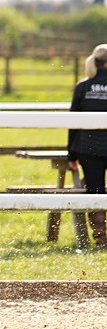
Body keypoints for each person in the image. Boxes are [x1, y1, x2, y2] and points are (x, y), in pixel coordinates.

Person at [68, 43, 107, 248]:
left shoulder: (82, 86)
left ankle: (101, 238)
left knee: (95, 190)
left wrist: (71, 154)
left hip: (88, 147)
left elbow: (72, 123)